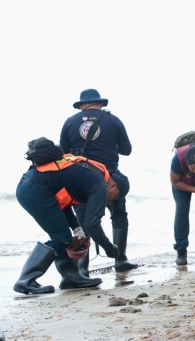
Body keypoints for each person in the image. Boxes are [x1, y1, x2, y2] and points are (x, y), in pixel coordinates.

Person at [14, 138, 120, 294]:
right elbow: (92, 224)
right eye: (114, 197)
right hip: (36, 192)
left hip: (30, 185)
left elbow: (62, 202)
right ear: (113, 185)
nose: (109, 202)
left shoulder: (87, 173)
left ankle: (71, 278)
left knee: (62, 237)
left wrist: (77, 230)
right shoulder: (99, 185)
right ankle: (25, 281)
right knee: (61, 238)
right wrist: (109, 248)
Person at [60, 89, 138, 273]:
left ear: (81, 106)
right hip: (110, 178)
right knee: (118, 216)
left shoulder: (69, 122)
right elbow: (126, 150)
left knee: (83, 222)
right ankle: (120, 260)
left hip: (81, 179)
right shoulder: (113, 120)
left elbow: (63, 154)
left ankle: (83, 268)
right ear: (101, 104)